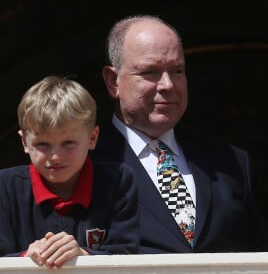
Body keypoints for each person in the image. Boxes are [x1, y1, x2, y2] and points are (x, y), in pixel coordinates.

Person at [90, 14, 268, 253]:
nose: (168, 85)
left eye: (177, 70)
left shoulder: (230, 162)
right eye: (150, 72)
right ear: (113, 81)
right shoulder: (79, 164)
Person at [0, 75, 139, 268]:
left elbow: (127, 259)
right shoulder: (8, 185)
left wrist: (82, 255)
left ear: (93, 138)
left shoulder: (118, 180)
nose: (55, 156)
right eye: (42, 144)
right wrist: (26, 256)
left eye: (68, 143)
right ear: (24, 142)